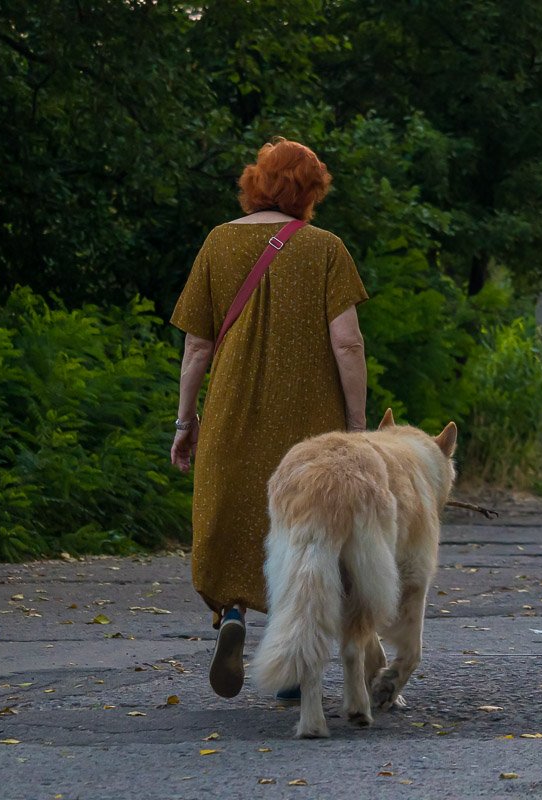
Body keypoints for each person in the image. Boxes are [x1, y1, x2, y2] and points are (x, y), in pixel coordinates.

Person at [169, 137, 369, 699]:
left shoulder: (217, 243)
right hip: (311, 432)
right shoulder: (326, 248)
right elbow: (348, 344)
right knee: (303, 538)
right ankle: (294, 667)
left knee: (232, 521)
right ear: (309, 192)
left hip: (230, 418)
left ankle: (230, 616)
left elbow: (197, 350)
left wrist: (186, 424)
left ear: (256, 182)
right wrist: (356, 428)